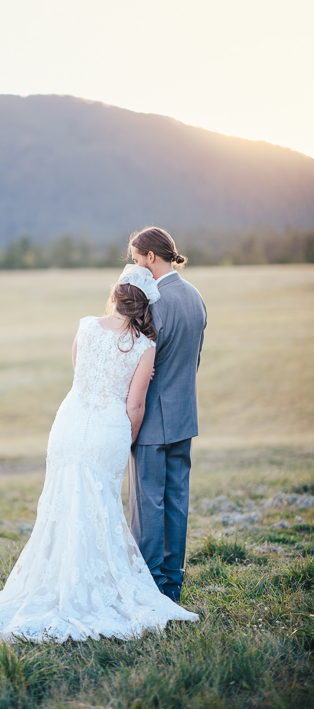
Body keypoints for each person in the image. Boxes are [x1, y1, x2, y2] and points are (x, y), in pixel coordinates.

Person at [0, 266, 198, 642]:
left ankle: (56, 583)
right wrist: (128, 438)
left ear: (116, 295)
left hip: (69, 424)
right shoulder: (144, 346)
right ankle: (92, 586)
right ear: (145, 305)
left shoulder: (85, 326)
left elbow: (81, 374)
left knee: (61, 506)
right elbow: (135, 406)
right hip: (106, 430)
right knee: (100, 507)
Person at [128, 227, 207, 603]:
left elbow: (138, 366)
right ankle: (172, 584)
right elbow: (195, 360)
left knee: (147, 504)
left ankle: (149, 587)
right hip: (184, 416)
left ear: (151, 257)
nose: (134, 264)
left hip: (150, 422)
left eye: (136, 257)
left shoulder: (152, 302)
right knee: (177, 499)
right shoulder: (196, 297)